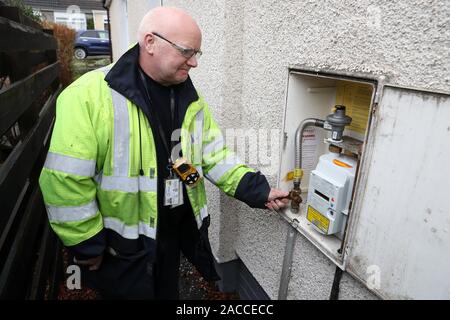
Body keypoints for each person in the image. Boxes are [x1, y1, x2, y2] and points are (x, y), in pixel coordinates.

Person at [39, 6, 289, 299]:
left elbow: (214, 154)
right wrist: (87, 244)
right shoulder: (87, 96)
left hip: (170, 237)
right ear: (150, 43)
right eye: (187, 51)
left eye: (197, 53)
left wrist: (258, 190)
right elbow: (64, 181)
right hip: (121, 248)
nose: (194, 63)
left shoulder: (190, 98)